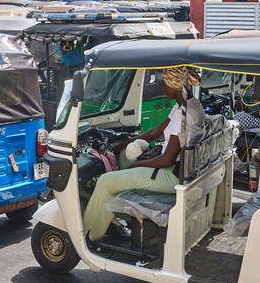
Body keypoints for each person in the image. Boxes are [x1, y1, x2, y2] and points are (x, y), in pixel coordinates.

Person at [82, 66, 204, 244]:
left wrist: (136, 166)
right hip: (180, 168)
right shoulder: (189, 105)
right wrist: (124, 144)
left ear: (176, 85)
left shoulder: (183, 115)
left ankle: (88, 235)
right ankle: (121, 212)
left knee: (105, 181)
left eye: (165, 84)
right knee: (124, 155)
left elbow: (166, 160)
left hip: (172, 175)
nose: (163, 88)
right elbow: (155, 131)